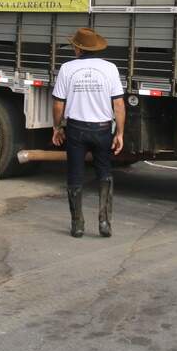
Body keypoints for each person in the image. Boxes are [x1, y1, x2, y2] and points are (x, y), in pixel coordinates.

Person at [51, 28, 125, 238]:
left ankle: (78, 224)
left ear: (78, 48)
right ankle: (104, 222)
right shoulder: (110, 68)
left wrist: (57, 127)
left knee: (75, 174)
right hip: (102, 129)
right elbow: (118, 104)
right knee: (104, 173)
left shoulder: (67, 69)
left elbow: (58, 105)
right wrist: (119, 133)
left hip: (76, 129)